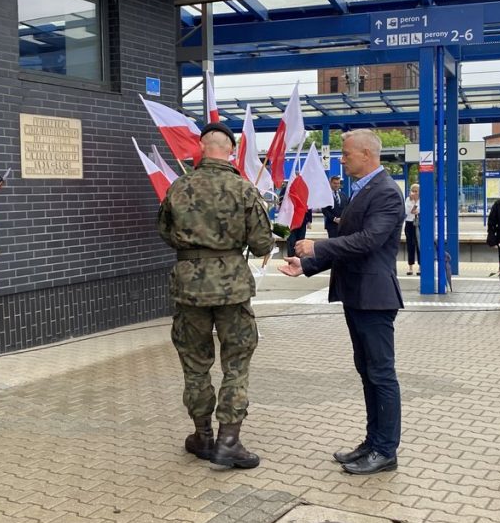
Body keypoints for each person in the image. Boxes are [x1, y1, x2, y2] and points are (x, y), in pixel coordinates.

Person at [279, 129, 405, 475]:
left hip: (374, 298)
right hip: (357, 295)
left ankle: (385, 450)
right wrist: (306, 264)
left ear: (367, 154)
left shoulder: (386, 192)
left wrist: (317, 246)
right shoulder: (362, 190)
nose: (342, 159)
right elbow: (350, 244)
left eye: (347, 153)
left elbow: (368, 241)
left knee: (381, 374)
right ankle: (372, 442)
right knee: (368, 372)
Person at [157, 121, 274, 469]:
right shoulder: (244, 190)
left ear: (201, 148)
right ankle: (229, 441)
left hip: (189, 288)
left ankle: (202, 436)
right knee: (236, 364)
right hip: (232, 289)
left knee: (195, 365)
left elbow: (164, 231)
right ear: (231, 151)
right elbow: (262, 244)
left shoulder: (178, 187)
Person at [403, 183, 421, 275]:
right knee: (410, 245)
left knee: (419, 245)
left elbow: (419, 211)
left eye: (416, 191)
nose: (414, 193)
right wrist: (411, 202)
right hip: (409, 223)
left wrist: (416, 207)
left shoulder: (421, 200)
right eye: (412, 191)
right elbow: (406, 211)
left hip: (418, 224)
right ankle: (410, 267)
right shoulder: (408, 200)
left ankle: (420, 266)